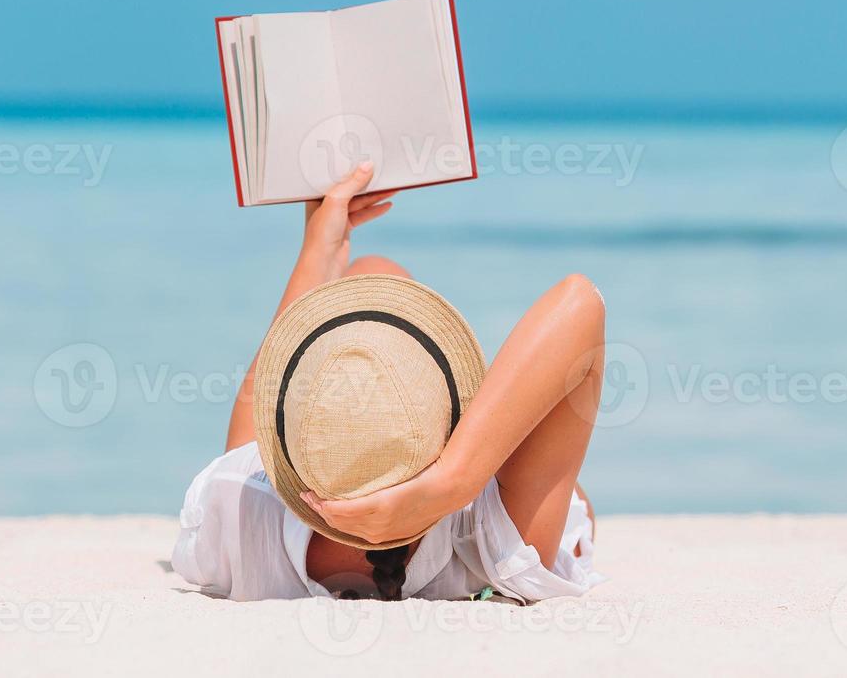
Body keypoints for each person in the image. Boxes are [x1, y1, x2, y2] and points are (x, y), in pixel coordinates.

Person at [171, 161, 606, 602]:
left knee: (374, 266)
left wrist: (319, 252)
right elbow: (581, 302)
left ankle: (341, 274)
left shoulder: (235, 519)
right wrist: (451, 484)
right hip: (501, 484)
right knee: (378, 272)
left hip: (408, 484)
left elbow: (243, 456)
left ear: (290, 442)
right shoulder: (492, 539)